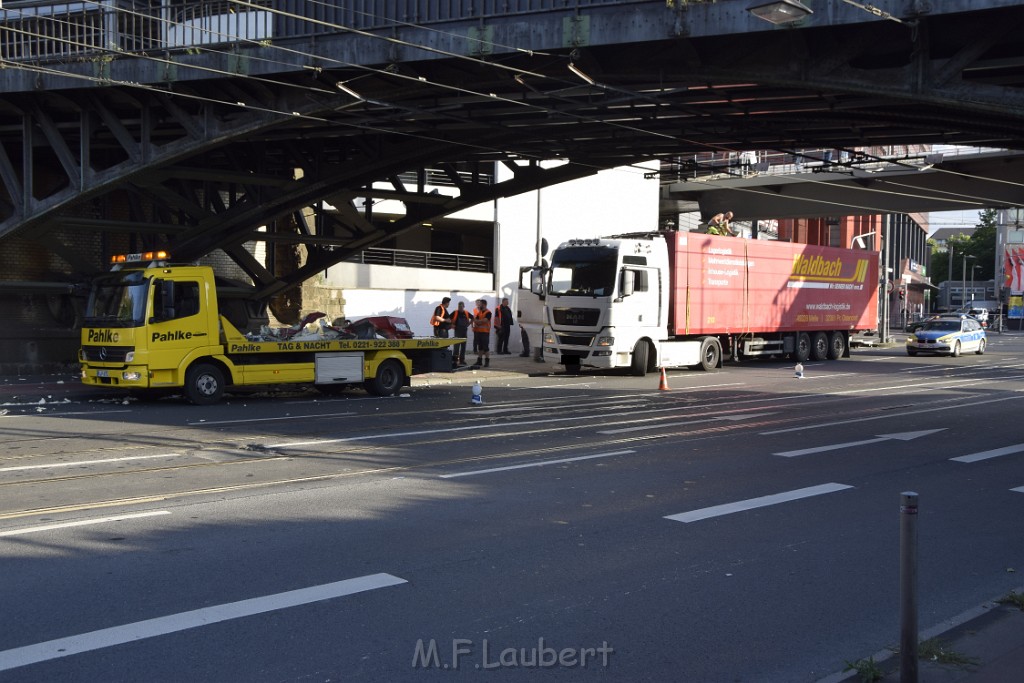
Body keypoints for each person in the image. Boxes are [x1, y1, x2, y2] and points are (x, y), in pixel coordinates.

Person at [450, 300, 472, 367]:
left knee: (463, 346)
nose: (460, 308)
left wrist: (469, 324)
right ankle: (455, 360)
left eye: (461, 307)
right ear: (458, 307)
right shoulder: (455, 312)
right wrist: (451, 324)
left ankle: (462, 360)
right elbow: (448, 318)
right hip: (457, 331)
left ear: (464, 306)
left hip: (464, 331)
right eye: (459, 307)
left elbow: (473, 318)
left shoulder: (466, 313)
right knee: (456, 346)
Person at [471, 298, 492, 367]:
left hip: (485, 333)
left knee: (486, 348)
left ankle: (487, 361)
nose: (479, 306)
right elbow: (475, 320)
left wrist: (478, 321)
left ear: (484, 305)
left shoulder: (488, 313)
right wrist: (478, 321)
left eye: (480, 304)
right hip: (479, 332)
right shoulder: (479, 312)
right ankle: (479, 361)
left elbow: (484, 321)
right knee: (480, 347)